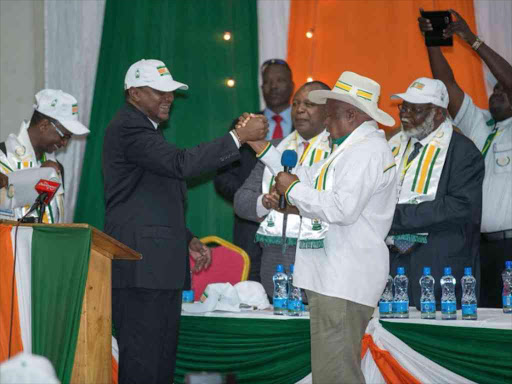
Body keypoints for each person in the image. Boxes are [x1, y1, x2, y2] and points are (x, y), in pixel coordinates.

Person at [103, 59, 267, 384]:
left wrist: (186, 236)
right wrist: (237, 137)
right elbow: (180, 165)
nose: (168, 98)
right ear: (134, 93)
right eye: (159, 91)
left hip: (156, 270)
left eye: (171, 92)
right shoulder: (129, 128)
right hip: (141, 271)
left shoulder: (147, 131)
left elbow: (150, 197)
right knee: (143, 367)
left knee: (160, 364)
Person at [245, 71, 397, 383]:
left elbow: (342, 208)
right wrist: (262, 148)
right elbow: (303, 175)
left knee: (335, 376)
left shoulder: (366, 151)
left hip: (344, 277)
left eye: (331, 115)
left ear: (352, 114)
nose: (325, 123)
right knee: (332, 373)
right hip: (332, 277)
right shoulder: (346, 151)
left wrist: (294, 190)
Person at [419, 9, 512, 307]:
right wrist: (432, 40)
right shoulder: (480, 123)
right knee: (483, 319)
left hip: (511, 245)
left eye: (503, 90)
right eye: (494, 89)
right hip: (477, 246)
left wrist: (471, 40)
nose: (497, 94)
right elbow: (448, 88)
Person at [387, 78, 485, 309]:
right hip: (393, 261)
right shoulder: (393, 145)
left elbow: (459, 207)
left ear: (439, 114)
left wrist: (394, 216)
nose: (405, 114)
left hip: (438, 264)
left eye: (416, 109)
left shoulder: (462, 151)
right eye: (404, 106)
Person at [233, 81, 329, 298]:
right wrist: (265, 202)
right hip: (274, 263)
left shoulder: (336, 152)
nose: (300, 109)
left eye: (309, 104)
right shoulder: (277, 147)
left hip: (319, 264)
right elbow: (241, 200)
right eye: (295, 104)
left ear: (327, 111)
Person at [214, 59, 295, 281]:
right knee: (250, 292)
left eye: (280, 80)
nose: (274, 86)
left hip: (294, 230)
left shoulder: (306, 128)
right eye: (268, 82)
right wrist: (254, 199)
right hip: (250, 228)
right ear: (261, 89)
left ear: (292, 85)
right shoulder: (243, 125)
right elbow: (223, 178)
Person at [0, 89, 89, 222]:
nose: (64, 143)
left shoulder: (57, 168)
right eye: (64, 136)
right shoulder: (3, 156)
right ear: (44, 126)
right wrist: (39, 176)